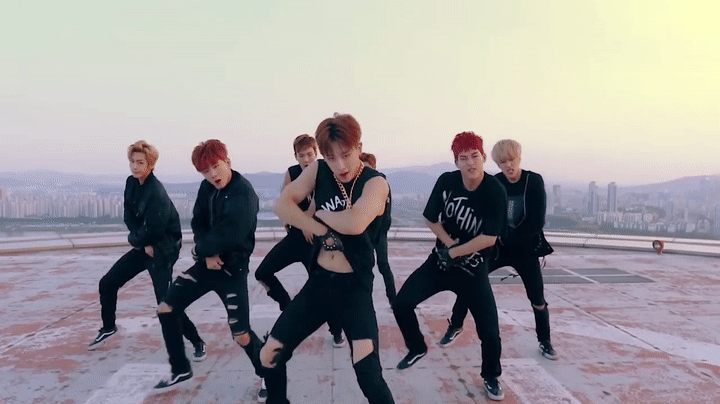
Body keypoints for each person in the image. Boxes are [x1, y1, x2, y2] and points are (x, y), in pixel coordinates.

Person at [258, 113, 395, 404]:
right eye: (331, 158)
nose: (340, 165)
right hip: (319, 284)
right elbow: (282, 205)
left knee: (368, 373)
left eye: (346, 155)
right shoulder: (319, 170)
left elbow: (355, 222)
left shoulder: (375, 183)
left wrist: (319, 214)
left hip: (354, 289)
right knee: (269, 354)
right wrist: (320, 229)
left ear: (359, 147)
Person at [392, 132, 507, 401]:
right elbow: (431, 219)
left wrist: (455, 251)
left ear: (483, 157)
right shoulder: (447, 181)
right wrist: (447, 244)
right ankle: (417, 347)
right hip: (440, 263)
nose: (470, 163)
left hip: (473, 270)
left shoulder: (494, 191)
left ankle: (491, 376)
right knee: (401, 303)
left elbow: (489, 238)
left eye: (474, 156)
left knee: (490, 332)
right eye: (463, 158)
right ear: (456, 162)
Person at [153, 139, 264, 392]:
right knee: (166, 309)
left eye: (216, 166)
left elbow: (232, 234)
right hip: (207, 264)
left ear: (228, 161)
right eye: (205, 171)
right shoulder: (207, 188)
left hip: (232, 269)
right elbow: (198, 222)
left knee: (241, 334)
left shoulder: (244, 193)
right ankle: (180, 369)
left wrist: (198, 251)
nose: (212, 174)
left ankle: (268, 373)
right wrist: (205, 256)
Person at [89, 141, 205, 361]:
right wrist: (139, 241)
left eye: (140, 162)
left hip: (164, 249)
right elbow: (129, 216)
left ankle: (197, 341)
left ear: (150, 165)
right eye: (132, 161)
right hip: (145, 245)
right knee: (108, 283)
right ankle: (109, 327)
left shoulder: (156, 192)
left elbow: (156, 229)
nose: (134, 166)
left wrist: (145, 241)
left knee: (165, 303)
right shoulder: (131, 183)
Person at [442, 139, 558, 360]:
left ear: (519, 158)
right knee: (469, 281)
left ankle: (545, 341)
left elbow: (536, 222)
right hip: (498, 249)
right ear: (496, 163)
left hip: (526, 250)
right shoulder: (494, 182)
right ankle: (455, 324)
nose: (508, 166)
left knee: (537, 299)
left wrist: (500, 236)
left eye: (511, 160)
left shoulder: (533, 181)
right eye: (503, 162)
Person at [255, 134, 345, 348]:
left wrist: (306, 222)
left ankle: (336, 331)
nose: (306, 159)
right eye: (301, 155)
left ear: (316, 153)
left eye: (309, 154)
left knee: (324, 288)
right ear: (295, 156)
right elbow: (286, 200)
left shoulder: (325, 171)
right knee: (262, 272)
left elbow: (321, 201)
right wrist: (292, 220)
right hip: (296, 238)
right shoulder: (292, 172)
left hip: (317, 241)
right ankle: (287, 307)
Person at [359, 152, 396, 304]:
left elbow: (387, 212)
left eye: (368, 168)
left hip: (379, 233)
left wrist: (382, 231)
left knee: (383, 266)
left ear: (374, 167)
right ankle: (365, 300)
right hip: (365, 233)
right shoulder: (361, 185)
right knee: (365, 268)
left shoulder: (381, 183)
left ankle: (393, 300)